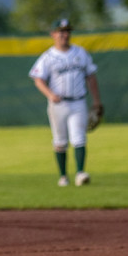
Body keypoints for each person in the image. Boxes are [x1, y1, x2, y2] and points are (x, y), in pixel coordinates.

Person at [28, 16, 102, 186]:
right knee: (60, 141)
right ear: (53, 34)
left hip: (78, 102)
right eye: (61, 31)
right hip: (58, 104)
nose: (64, 35)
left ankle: (80, 173)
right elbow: (38, 79)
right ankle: (63, 176)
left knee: (79, 138)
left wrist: (97, 101)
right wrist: (50, 94)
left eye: (67, 31)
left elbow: (91, 76)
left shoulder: (80, 53)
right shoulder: (48, 57)